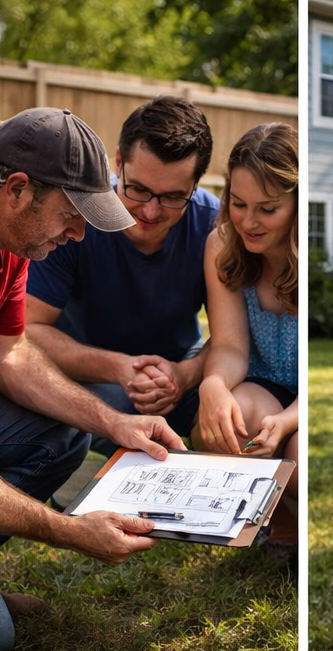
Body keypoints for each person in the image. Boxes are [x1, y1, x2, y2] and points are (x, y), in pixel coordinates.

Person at [0, 107, 186, 651]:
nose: (78, 234)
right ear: (17, 189)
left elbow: (8, 352)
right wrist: (69, 531)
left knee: (65, 425)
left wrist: (113, 423)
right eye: (70, 215)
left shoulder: (8, 234)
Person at [24, 96, 218, 456]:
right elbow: (29, 330)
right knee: (108, 407)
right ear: (117, 163)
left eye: (174, 197)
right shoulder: (72, 215)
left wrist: (184, 376)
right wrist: (118, 368)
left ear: (196, 185)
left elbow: (231, 338)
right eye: (139, 189)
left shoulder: (214, 224)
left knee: (234, 405)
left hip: (183, 368)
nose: (151, 210)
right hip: (92, 375)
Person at [191, 122, 298, 541]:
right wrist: (213, 384)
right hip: (263, 389)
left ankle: (297, 529)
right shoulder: (222, 245)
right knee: (224, 423)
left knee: (298, 458)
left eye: (267, 209)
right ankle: (279, 529)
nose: (248, 222)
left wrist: (290, 420)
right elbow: (231, 345)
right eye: (238, 203)